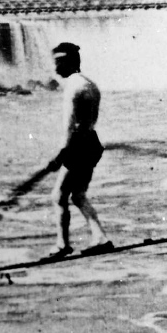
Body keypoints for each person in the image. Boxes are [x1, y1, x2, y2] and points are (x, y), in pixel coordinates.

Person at [44, 42, 113, 260]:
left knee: (58, 196)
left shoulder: (72, 88)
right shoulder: (90, 84)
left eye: (58, 62)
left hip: (77, 146)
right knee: (79, 195)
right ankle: (100, 238)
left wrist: (61, 154)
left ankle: (62, 245)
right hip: (91, 143)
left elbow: (69, 125)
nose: (55, 68)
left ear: (69, 62)